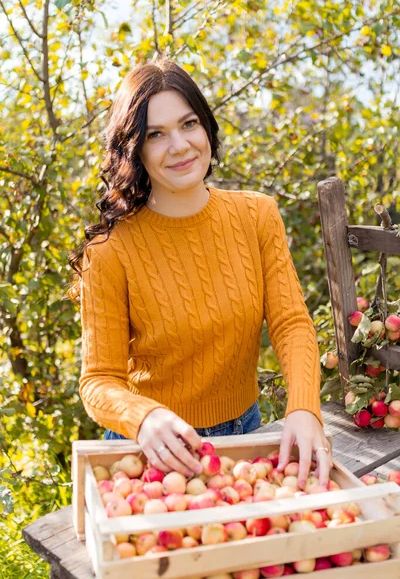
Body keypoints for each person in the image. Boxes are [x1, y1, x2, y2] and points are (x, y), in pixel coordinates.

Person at [69, 56, 332, 488]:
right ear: (133, 148)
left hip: (245, 438)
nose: (179, 145)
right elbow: (99, 380)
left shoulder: (257, 215)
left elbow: (291, 323)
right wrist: (144, 417)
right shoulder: (110, 251)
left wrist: (304, 408)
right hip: (149, 452)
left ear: (206, 127)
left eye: (189, 124)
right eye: (156, 134)